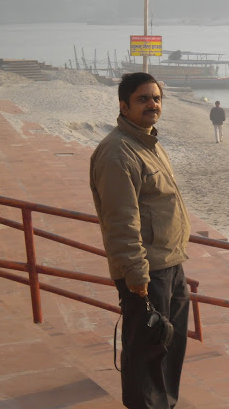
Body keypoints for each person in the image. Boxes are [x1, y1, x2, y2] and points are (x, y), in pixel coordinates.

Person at [90, 72, 191, 409]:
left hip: (171, 262)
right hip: (147, 270)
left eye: (156, 98)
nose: (152, 104)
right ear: (124, 106)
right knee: (147, 349)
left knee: (170, 345)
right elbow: (121, 220)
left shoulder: (148, 142)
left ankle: (165, 404)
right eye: (143, 99)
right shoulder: (117, 153)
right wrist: (136, 274)